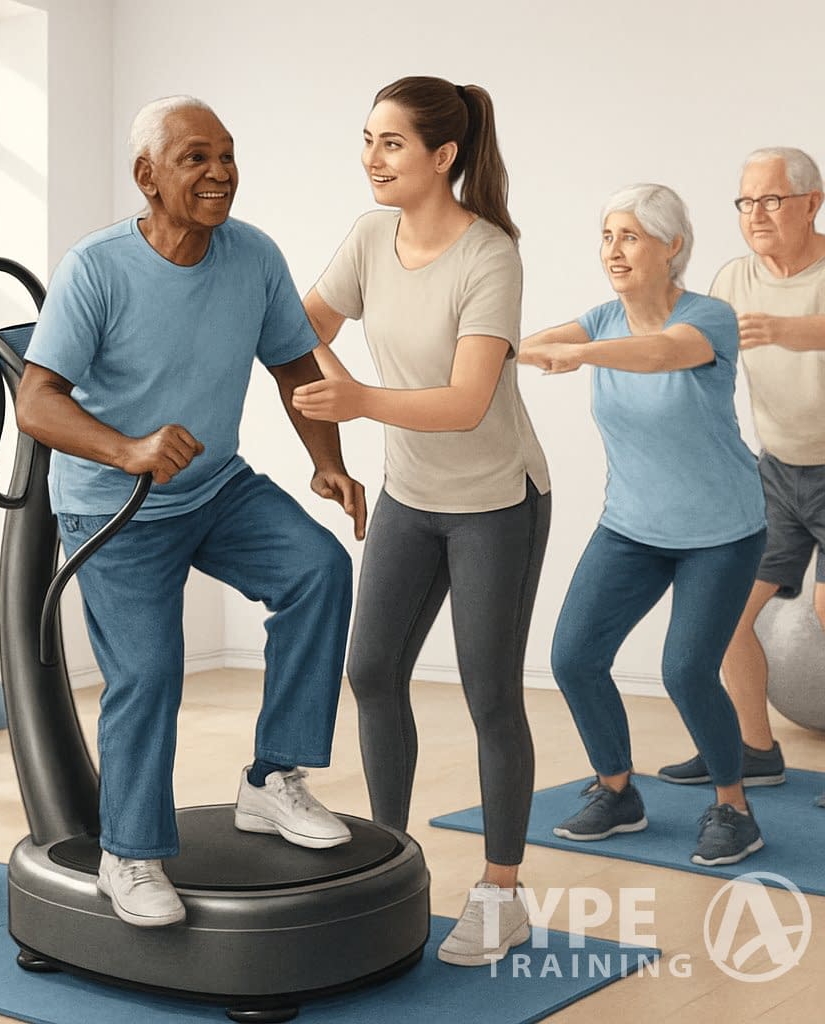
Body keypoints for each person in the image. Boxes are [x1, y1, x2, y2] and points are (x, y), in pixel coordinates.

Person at [16, 97, 365, 929]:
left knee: (319, 570)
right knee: (150, 672)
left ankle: (270, 780)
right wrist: (128, 448)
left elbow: (293, 367)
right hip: (117, 506)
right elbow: (36, 401)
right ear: (147, 176)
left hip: (215, 487)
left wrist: (328, 464)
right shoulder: (95, 268)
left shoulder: (253, 257)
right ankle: (128, 854)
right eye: (195, 158)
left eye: (228, 156)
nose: (220, 173)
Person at [294, 76, 551, 967]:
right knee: (370, 671)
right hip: (412, 493)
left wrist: (358, 397)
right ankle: (391, 865)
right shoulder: (370, 236)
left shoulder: (490, 256)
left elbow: (471, 402)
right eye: (367, 138)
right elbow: (296, 327)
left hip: (494, 501)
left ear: (444, 156)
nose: (372, 157)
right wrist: (331, 409)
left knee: (488, 694)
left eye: (392, 143)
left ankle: (501, 892)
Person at [520, 184, 768, 867]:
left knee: (687, 670)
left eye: (630, 236)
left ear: (673, 246)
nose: (614, 250)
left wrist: (580, 356)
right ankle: (617, 790)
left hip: (721, 532)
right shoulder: (600, 318)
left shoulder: (710, 318)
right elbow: (530, 345)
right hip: (632, 527)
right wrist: (494, 351)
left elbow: (662, 352)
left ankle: (733, 808)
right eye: (607, 236)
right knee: (573, 657)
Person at [658, 149, 825, 806]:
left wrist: (789, 330)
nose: (755, 215)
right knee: (727, 611)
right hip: (779, 473)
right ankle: (755, 750)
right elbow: (695, 352)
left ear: (812, 202)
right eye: (746, 202)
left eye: (772, 200)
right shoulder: (735, 278)